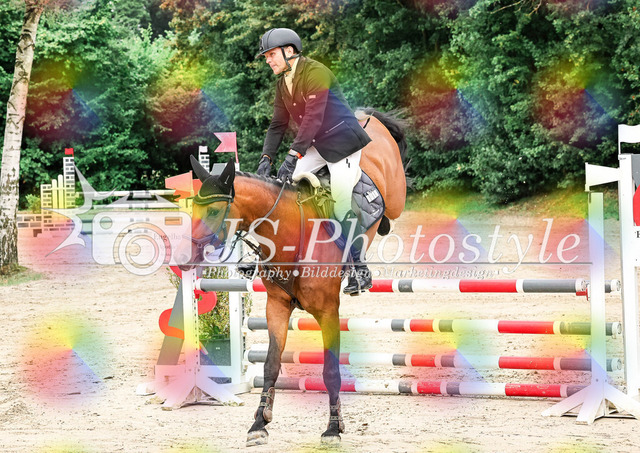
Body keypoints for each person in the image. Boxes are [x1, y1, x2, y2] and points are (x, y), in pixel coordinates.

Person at [255, 27, 372, 295]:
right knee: (282, 190)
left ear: (289, 51)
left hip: (342, 143)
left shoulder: (316, 72)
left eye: (271, 54)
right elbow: (277, 124)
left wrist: (292, 155)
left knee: (340, 204)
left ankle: (360, 269)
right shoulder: (282, 83)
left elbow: (313, 118)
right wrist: (266, 158)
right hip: (316, 145)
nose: (268, 60)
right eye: (266, 56)